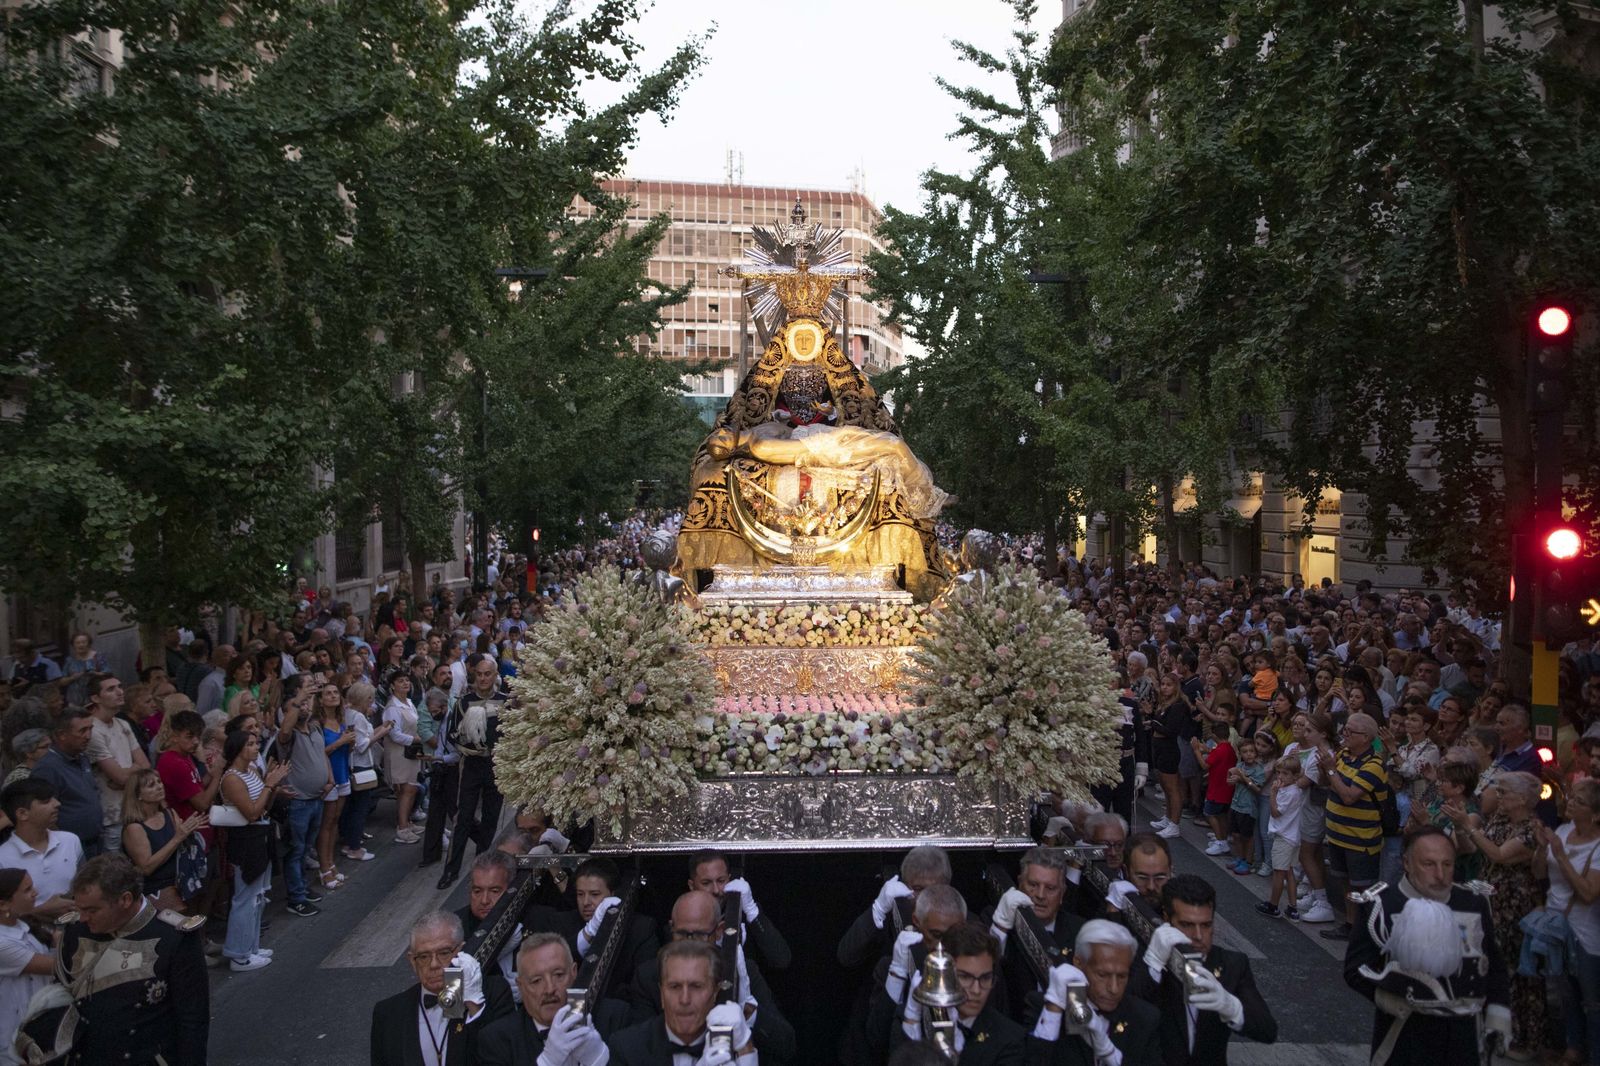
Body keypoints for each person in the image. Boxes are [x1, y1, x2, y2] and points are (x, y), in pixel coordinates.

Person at [1344, 827, 1511, 1065]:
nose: (1440, 874)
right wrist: (1387, 997)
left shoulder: (1474, 901)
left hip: (1465, 1035)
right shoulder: (1382, 904)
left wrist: (1497, 1016)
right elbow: (1355, 969)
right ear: (1407, 863)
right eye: (1429, 864)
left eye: (1448, 864)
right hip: (1407, 1032)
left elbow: (1493, 965)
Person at [56, 853, 208, 1066]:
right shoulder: (75, 932)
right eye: (79, 909)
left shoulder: (174, 937)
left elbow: (192, 1020)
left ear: (125, 899)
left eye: (92, 910)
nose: (82, 918)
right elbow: (60, 1001)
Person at [628, 890, 796, 1062]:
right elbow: (641, 1052)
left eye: (700, 935)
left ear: (719, 931)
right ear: (671, 929)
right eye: (683, 934)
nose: (690, 944)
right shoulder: (649, 975)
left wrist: (748, 1011)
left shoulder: (741, 971)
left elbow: (785, 1045)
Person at [1131, 875, 1277, 1064]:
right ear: (1167, 919)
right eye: (1187, 925)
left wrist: (1231, 1007)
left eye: (1206, 925)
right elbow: (1126, 1016)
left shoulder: (1232, 964)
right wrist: (1153, 965)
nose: (1198, 936)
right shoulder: (1148, 960)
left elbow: (1267, 1031)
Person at [1451, 770, 1547, 1057]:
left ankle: (1524, 1037)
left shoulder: (1532, 829)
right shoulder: (1500, 820)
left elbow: (1499, 854)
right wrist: (1460, 827)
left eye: (1504, 792)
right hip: (1490, 899)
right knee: (1493, 963)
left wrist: (1469, 828)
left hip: (1515, 903)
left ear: (1522, 799)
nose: (1499, 797)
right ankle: (1493, 1026)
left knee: (1518, 971)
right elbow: (1473, 849)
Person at [369, 910, 507, 1066]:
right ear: (413, 961)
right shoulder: (388, 1013)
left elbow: (501, 1057)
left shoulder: (494, 993)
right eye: (423, 956)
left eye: (444, 953)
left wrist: (474, 1007)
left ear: (462, 952)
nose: (433, 964)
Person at [1029, 920, 1162, 1066]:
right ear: (1078, 963)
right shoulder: (1041, 1007)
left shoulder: (1144, 1018)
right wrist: (1054, 1008)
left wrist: (1109, 1053)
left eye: (1122, 976)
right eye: (1102, 975)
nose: (1114, 988)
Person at [477, 933, 621, 1066]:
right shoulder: (497, 1040)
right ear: (520, 986)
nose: (549, 989)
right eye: (537, 981)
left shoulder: (614, 1018)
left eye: (558, 975)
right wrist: (547, 1062)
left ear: (574, 973)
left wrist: (599, 1059)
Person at [605, 940, 758, 1065]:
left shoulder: (736, 1045)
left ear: (715, 993)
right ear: (662, 993)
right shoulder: (626, 1047)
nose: (684, 999)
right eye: (675, 987)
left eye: (696, 986)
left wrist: (745, 1048)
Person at [1534, 777, 1600, 1065]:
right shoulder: (1563, 829)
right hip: (1556, 925)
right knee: (1566, 994)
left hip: (1586, 932)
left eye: (1580, 801)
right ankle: (1572, 1049)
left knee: (1591, 1000)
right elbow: (1539, 874)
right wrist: (1540, 849)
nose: (1571, 802)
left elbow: (1588, 893)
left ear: (1596, 814)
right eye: (1572, 797)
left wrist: (1560, 856)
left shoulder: (1598, 848)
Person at [894, 921, 1026, 1065]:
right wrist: (912, 1020)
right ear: (945, 973)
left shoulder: (1009, 1038)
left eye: (985, 978)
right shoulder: (914, 1019)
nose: (976, 990)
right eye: (965, 977)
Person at [989, 847, 1083, 1024]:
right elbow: (988, 972)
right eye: (1033, 885)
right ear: (1019, 884)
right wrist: (1000, 928)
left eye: (1050, 888)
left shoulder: (1080, 931)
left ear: (1062, 893)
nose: (1040, 895)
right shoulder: (994, 918)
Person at [218, 728, 287, 969]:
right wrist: (269, 785)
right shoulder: (231, 778)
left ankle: (252, 946)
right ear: (237, 748)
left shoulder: (252, 771)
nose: (256, 748)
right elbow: (251, 812)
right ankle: (239, 953)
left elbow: (264, 806)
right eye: (250, 744)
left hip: (262, 834)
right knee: (245, 897)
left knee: (258, 896)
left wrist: (273, 787)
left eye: (256, 743)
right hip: (246, 838)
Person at [439, 653, 509, 890]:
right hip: (470, 767)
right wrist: (466, 747)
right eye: (478, 674)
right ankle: (451, 870)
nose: (482, 678)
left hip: (496, 768)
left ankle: (481, 864)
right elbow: (451, 734)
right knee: (463, 818)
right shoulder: (463, 702)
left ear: (495, 675)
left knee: (491, 817)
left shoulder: (506, 701)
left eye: (487, 674)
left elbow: (513, 733)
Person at [1319, 712, 1390, 941]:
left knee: (1363, 887)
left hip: (1361, 839)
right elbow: (1326, 783)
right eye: (1345, 730)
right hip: (1339, 836)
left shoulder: (1374, 764)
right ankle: (1351, 924)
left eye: (1350, 732)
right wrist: (1324, 768)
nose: (1344, 734)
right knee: (1346, 883)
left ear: (1366, 737)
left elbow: (1350, 796)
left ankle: (1368, 931)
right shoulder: (1343, 755)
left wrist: (1331, 770)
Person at [272, 680, 332, 917]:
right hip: (298, 802)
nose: (304, 707)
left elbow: (322, 755)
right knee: (295, 851)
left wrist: (329, 780)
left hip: (316, 799)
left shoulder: (315, 728)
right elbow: (284, 730)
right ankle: (296, 897)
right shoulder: (287, 736)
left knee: (305, 851)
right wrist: (298, 699)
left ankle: (303, 889)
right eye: (297, 706)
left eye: (307, 704)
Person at [838, 845, 952, 969]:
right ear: (904, 887)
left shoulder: (962, 921)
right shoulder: (892, 918)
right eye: (918, 889)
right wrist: (878, 910)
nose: (926, 896)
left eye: (933, 889)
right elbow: (846, 956)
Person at [685, 850, 792, 971]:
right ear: (692, 886)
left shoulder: (742, 914)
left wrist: (752, 911)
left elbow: (782, 959)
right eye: (706, 883)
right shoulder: (681, 922)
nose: (716, 890)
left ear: (729, 879)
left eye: (721, 881)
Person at [118, 768, 205, 912]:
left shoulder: (169, 813)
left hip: (181, 884)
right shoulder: (134, 827)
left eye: (159, 782)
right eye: (151, 785)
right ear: (138, 795)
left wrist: (189, 830)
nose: (159, 786)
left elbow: (181, 841)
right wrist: (177, 838)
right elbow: (146, 867)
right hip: (156, 890)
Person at [86, 673, 150, 855]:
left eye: (119, 686)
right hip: (111, 815)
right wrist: (130, 774)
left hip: (133, 809)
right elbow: (119, 776)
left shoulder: (122, 724)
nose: (120, 692)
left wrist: (127, 775)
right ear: (95, 698)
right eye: (111, 689)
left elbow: (145, 765)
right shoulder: (92, 730)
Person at [0, 780, 81, 919]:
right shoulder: (3, 857)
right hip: (27, 937)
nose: (57, 804)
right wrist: (39, 912)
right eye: (46, 801)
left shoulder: (70, 841)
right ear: (22, 814)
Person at [29, 708, 102, 858]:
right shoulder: (47, 768)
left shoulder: (82, 758)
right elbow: (42, 813)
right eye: (82, 731)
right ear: (62, 735)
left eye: (90, 729)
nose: (88, 736)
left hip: (95, 841)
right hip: (69, 849)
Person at [0, 869, 53, 1066]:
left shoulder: (25, 924)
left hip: (40, 1031)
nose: (35, 892)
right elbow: (57, 965)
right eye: (27, 889)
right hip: (10, 1041)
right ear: (3, 904)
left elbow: (60, 941)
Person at [340, 681, 388, 863]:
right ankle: (354, 847)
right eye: (370, 698)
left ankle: (349, 841)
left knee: (351, 807)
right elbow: (362, 745)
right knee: (359, 808)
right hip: (361, 766)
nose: (372, 701)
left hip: (352, 765)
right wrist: (380, 734)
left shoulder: (348, 714)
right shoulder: (358, 717)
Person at [314, 681, 355, 890]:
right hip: (329, 777)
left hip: (342, 773)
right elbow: (318, 753)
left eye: (335, 692)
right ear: (320, 700)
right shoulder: (318, 724)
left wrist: (349, 742)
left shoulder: (341, 720)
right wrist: (340, 742)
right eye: (327, 693)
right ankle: (324, 867)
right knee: (327, 823)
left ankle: (330, 862)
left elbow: (345, 750)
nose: (332, 696)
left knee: (335, 821)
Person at [1255, 757, 1304, 919]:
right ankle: (1292, 907)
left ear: (1295, 776)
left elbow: (1276, 812)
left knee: (1278, 873)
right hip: (1292, 837)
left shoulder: (1288, 793)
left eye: (1285, 774)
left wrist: (1273, 793)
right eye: (1278, 773)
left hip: (1283, 837)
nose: (1280, 777)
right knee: (1289, 872)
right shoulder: (1295, 790)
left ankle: (1273, 905)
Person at [380, 668, 423, 845]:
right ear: (392, 686)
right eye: (400, 681)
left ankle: (407, 822)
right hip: (399, 753)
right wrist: (416, 739)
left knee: (410, 787)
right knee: (406, 789)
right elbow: (394, 734)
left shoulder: (410, 702)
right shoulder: (392, 708)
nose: (405, 683)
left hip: (411, 752)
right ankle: (402, 827)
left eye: (407, 680)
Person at [1149, 673, 1194, 840]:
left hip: (1169, 748)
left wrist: (1153, 723)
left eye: (1169, 685)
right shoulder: (1164, 704)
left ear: (1176, 687)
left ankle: (1175, 824)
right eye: (1163, 684)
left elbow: (1170, 730)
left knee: (1172, 788)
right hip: (1159, 746)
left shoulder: (1179, 706)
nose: (1165, 687)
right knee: (1165, 786)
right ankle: (1168, 817)